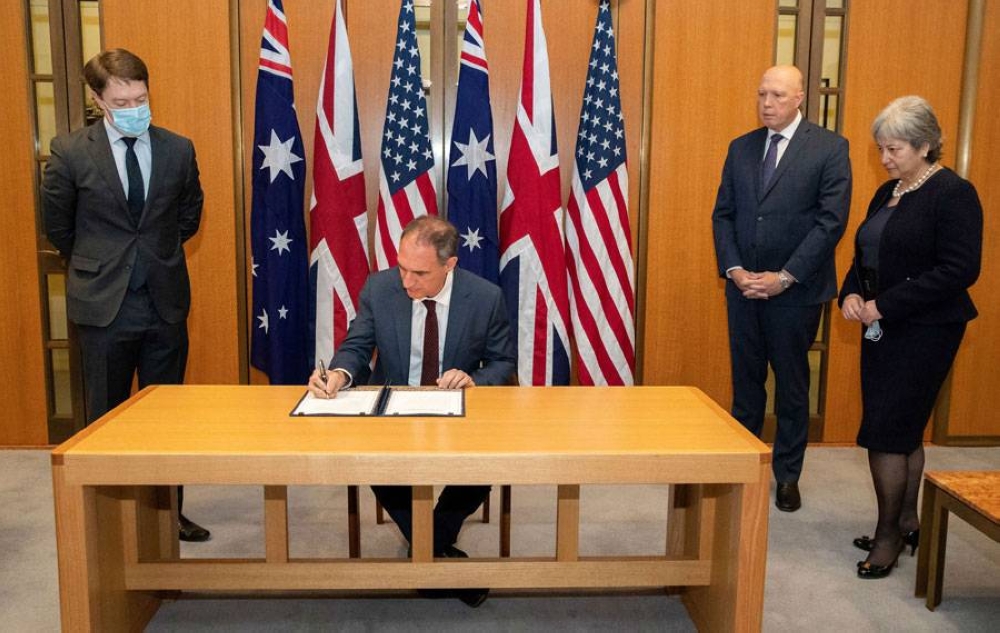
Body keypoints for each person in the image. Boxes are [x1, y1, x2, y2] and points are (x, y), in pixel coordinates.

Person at [42, 49, 209, 542]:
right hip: (103, 305)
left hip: (164, 302)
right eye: (122, 99)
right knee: (106, 418)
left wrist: (151, 257)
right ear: (98, 99)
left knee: (167, 418)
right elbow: (59, 227)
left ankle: (166, 515)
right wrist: (104, 263)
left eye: (141, 96)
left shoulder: (178, 148)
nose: (135, 105)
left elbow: (189, 217)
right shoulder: (71, 151)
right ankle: (108, 525)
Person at [308, 215, 516, 607]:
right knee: (374, 460)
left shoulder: (485, 297)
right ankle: (439, 554)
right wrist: (338, 373)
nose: (406, 282)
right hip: (393, 407)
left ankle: (427, 549)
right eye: (401, 267)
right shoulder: (380, 287)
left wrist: (473, 379)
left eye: (419, 273)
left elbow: (503, 365)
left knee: (483, 463)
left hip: (457, 410)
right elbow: (356, 346)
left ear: (450, 265)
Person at [839, 96, 982, 579]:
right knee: (901, 428)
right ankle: (906, 519)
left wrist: (887, 304)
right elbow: (866, 252)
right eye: (881, 148)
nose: (885, 159)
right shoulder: (889, 191)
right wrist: (851, 295)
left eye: (894, 149)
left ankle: (887, 538)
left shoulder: (954, 193)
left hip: (926, 330)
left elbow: (959, 270)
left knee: (886, 433)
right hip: (881, 326)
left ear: (924, 145)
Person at [712, 65, 852, 512]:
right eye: (761, 94)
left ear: (798, 99)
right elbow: (725, 215)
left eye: (776, 95)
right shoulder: (741, 148)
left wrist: (784, 277)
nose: (766, 103)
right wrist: (734, 269)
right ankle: (744, 470)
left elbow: (830, 223)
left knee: (792, 386)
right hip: (743, 288)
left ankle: (787, 475)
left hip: (795, 292)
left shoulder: (830, 149)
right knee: (746, 385)